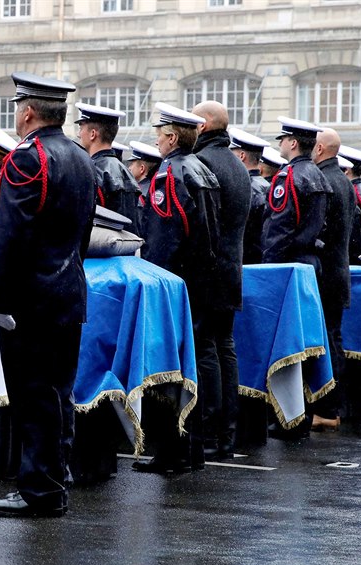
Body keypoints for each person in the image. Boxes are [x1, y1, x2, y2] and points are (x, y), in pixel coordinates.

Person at [0, 72, 96, 518]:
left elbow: (11, 237)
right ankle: (53, 479)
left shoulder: (27, 159)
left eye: (17, 107)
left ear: (28, 111)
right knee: (56, 394)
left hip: (31, 300)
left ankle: (39, 490)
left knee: (34, 398)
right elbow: (82, 234)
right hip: (66, 291)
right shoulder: (81, 158)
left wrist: (0, 301)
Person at [132, 103, 219, 475]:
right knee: (191, 366)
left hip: (174, 284)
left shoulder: (170, 174)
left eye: (159, 135)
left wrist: (152, 276)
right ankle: (190, 449)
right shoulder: (202, 170)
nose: (157, 141)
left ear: (170, 138)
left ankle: (174, 451)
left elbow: (164, 241)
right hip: (200, 281)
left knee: (168, 369)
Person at [190, 100, 250, 459]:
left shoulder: (204, 162)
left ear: (202, 126)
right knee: (224, 348)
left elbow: (204, 228)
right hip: (230, 271)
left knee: (206, 350)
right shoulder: (237, 165)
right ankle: (226, 432)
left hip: (208, 273)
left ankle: (209, 432)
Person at [310, 128, 354, 430]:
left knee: (328, 341)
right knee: (334, 338)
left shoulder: (324, 179)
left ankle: (327, 409)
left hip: (326, 271)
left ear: (321, 148)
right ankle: (335, 407)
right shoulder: (343, 179)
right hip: (338, 269)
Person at [261, 117, 330, 278]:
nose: (279, 144)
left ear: (293, 143)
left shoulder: (289, 176)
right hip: (310, 260)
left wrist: (268, 265)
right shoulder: (318, 174)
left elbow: (280, 226)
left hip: (289, 263)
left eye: (283, 139)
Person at [75, 103, 142, 233]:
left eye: (81, 128)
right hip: (125, 248)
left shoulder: (91, 171)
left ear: (93, 134)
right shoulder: (125, 171)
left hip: (97, 250)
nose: (79, 134)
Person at [228, 127, 269, 265]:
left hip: (247, 259)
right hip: (261, 256)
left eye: (231, 153)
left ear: (241, 156)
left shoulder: (245, 187)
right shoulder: (267, 185)